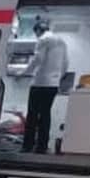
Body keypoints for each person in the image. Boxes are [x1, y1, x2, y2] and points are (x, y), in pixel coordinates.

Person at [21, 16, 69, 155]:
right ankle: (42, 147)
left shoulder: (43, 40)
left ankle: (27, 146)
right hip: (53, 85)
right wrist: (58, 77)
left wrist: (23, 72)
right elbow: (66, 63)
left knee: (32, 115)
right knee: (45, 115)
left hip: (40, 83)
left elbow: (38, 59)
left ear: (37, 31)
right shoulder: (62, 42)